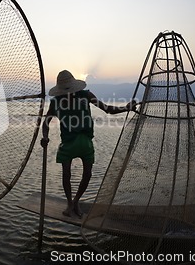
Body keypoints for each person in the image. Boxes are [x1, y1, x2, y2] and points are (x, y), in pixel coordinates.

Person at [41, 70, 136, 218]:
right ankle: (69, 203)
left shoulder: (86, 95)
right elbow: (46, 122)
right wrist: (45, 137)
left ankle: (76, 201)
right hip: (67, 142)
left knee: (87, 174)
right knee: (66, 174)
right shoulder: (56, 102)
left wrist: (126, 107)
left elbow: (108, 109)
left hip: (85, 141)